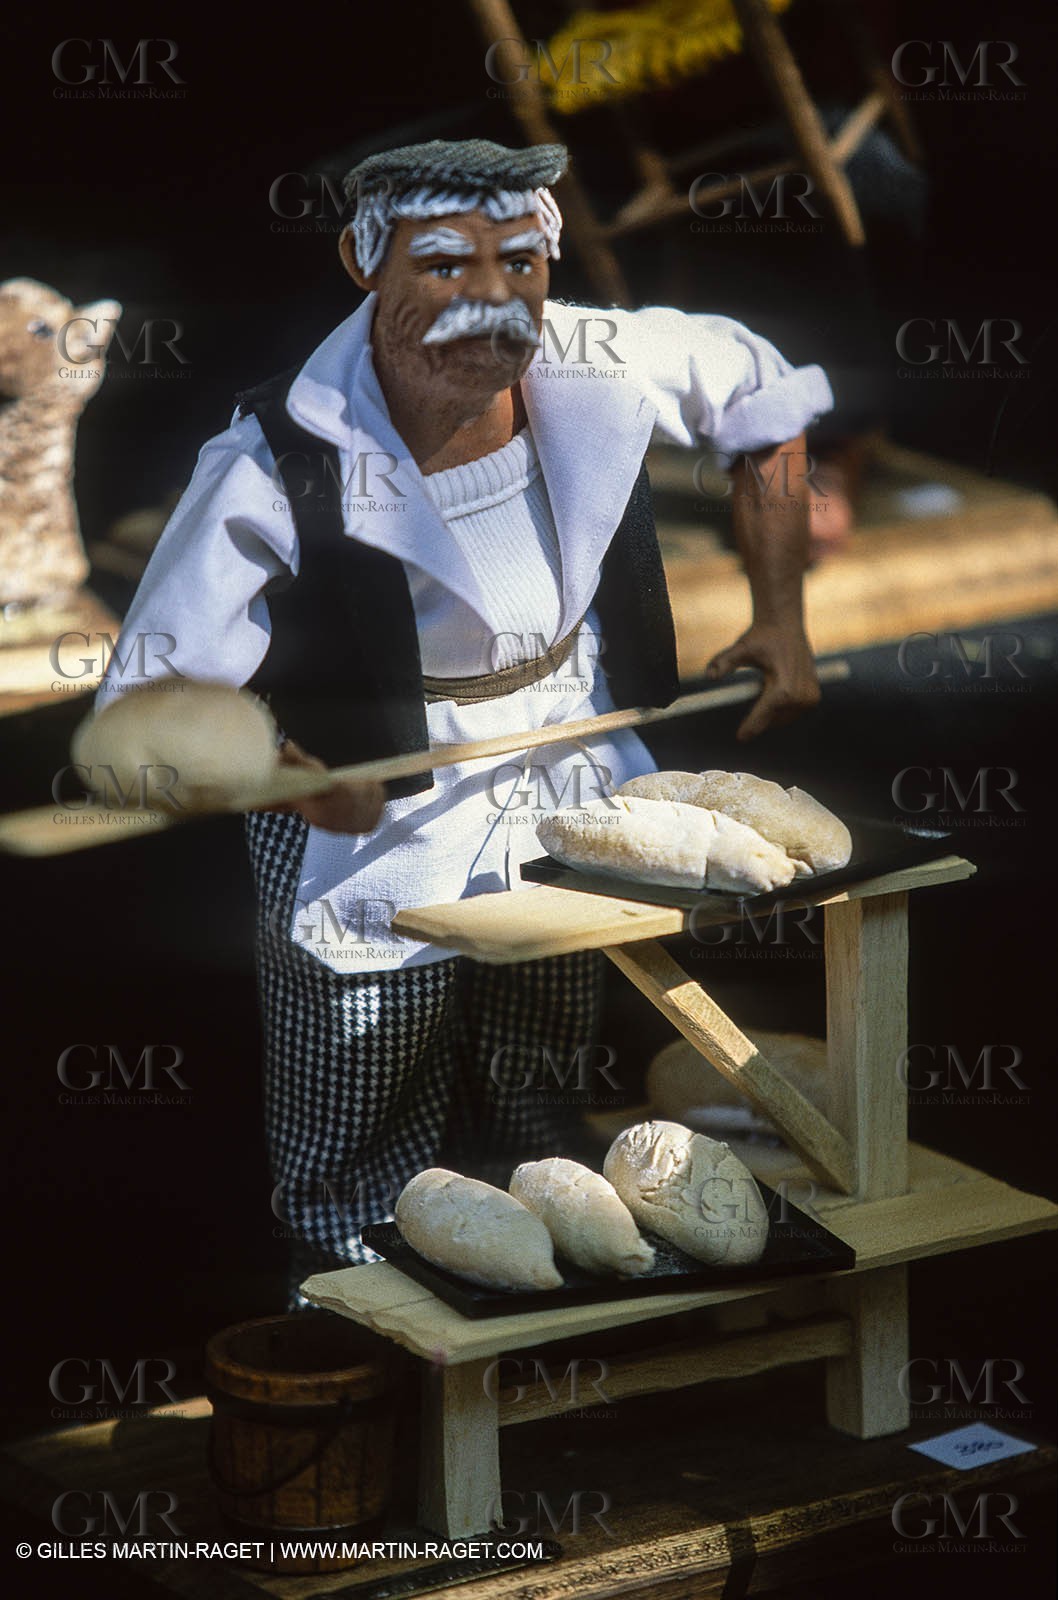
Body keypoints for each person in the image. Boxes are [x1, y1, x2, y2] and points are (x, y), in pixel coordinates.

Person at [99, 138, 833, 1291]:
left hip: (563, 773)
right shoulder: (277, 456)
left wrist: (779, 617)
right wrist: (279, 768)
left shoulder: (592, 358)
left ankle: (543, 1328)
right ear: (363, 262)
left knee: (540, 1084)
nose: (490, 296)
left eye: (520, 262)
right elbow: (150, 687)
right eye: (444, 265)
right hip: (370, 808)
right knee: (360, 1106)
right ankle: (350, 1326)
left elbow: (764, 393)